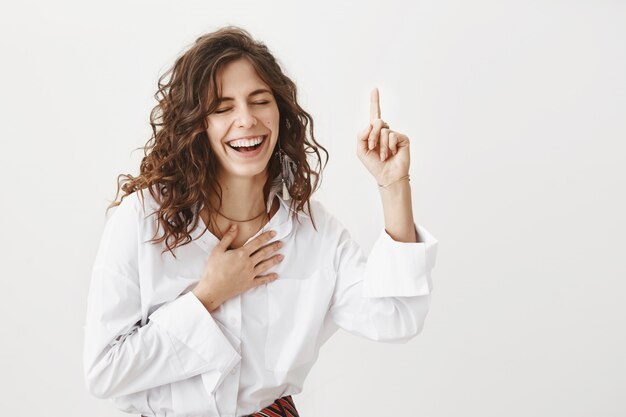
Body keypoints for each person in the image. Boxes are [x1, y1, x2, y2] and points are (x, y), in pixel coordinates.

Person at [82, 25, 438, 417]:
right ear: (196, 124)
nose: (246, 120)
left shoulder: (313, 232)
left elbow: (397, 318)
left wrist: (393, 186)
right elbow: (104, 371)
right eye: (222, 108)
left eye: (259, 101)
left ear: (280, 112)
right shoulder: (142, 220)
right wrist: (208, 297)